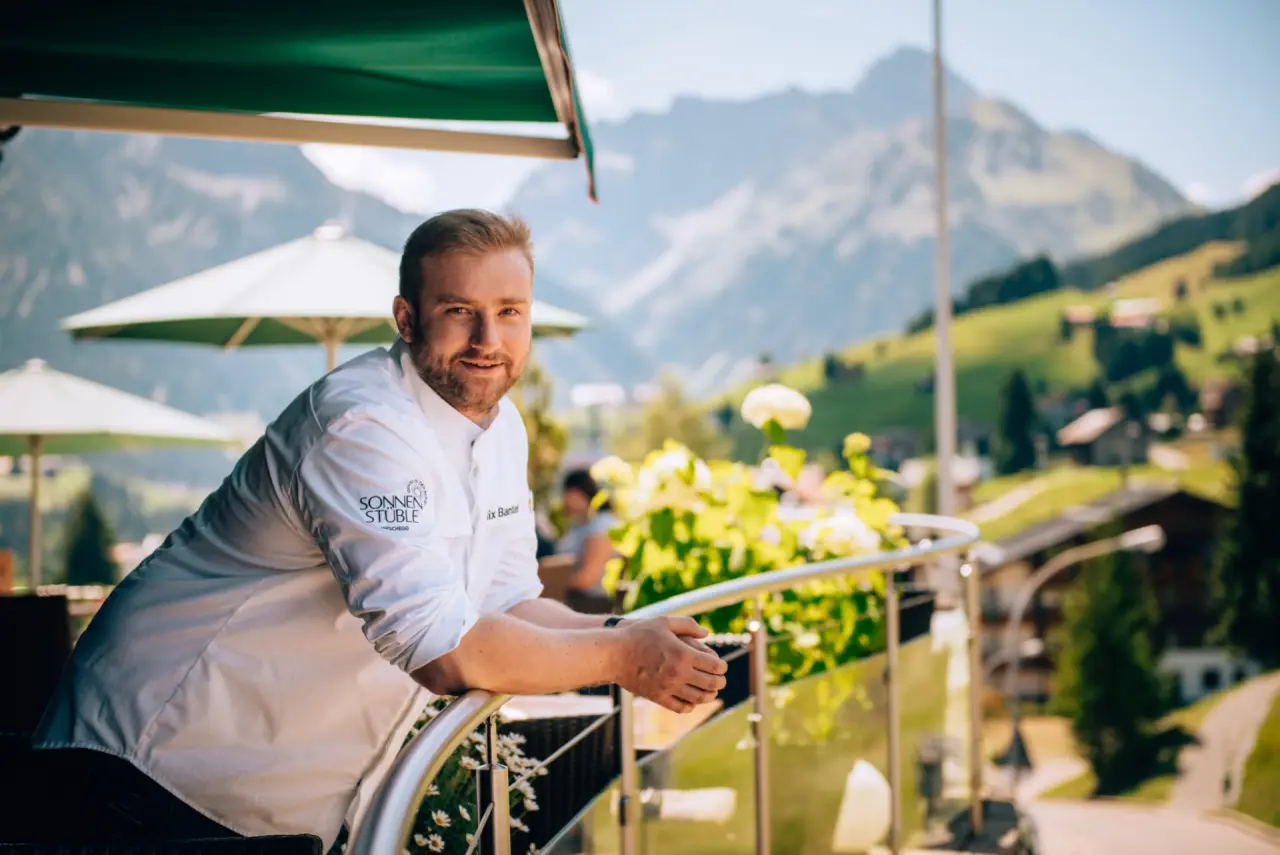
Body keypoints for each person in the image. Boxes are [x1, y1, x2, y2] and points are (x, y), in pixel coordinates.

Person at [27, 210, 727, 851]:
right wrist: (623, 659)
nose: (488, 340)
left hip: (259, 790)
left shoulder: (501, 427)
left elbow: (508, 602)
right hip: (152, 761)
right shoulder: (361, 425)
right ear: (406, 318)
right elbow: (443, 651)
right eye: (460, 311)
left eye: (509, 312)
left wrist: (628, 634)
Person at [555, 469, 619, 614]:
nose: (564, 500)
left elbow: (588, 577)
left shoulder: (601, 525)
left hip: (591, 601)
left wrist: (549, 583)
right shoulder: (577, 524)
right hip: (573, 597)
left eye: (567, 494)